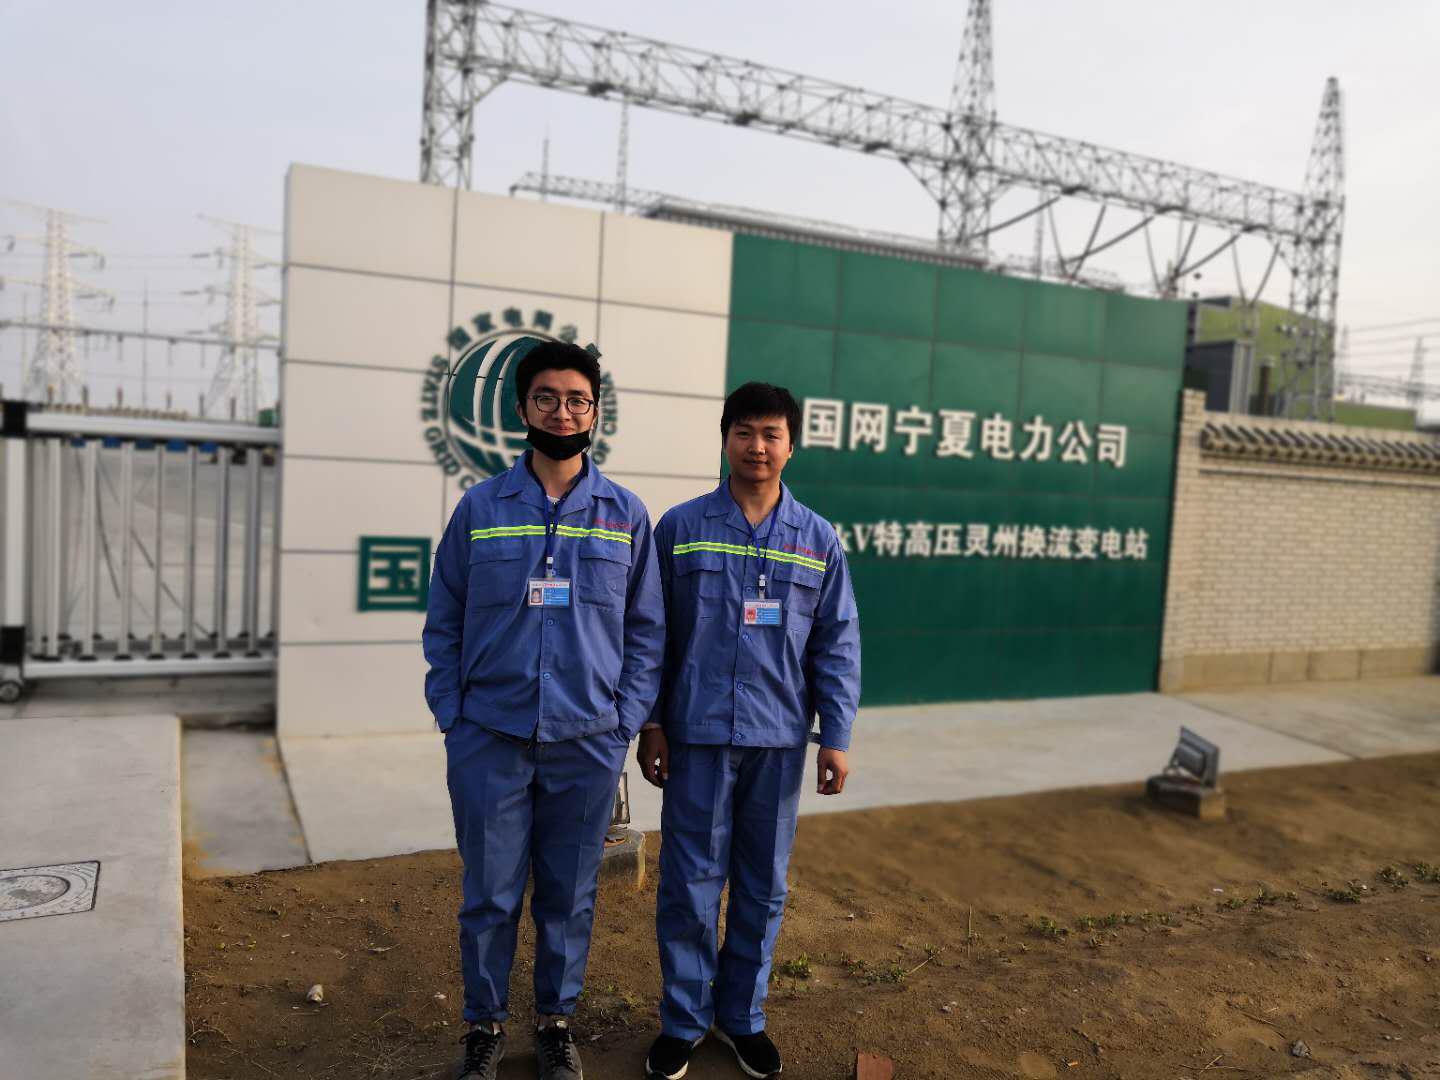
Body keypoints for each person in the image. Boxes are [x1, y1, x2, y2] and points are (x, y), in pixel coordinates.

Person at [422, 338, 665, 1080]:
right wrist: (453, 714)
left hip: (587, 740)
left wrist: (622, 721)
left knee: (568, 896)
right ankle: (484, 1026)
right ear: (523, 409)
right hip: (489, 737)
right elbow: (445, 616)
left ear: (595, 412)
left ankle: (556, 1023)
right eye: (547, 398)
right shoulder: (481, 507)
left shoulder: (624, 514)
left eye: (577, 400)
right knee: (488, 896)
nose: (563, 412)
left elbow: (646, 630)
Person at [639, 382, 861, 1080]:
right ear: (725, 439)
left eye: (771, 434)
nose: (757, 446)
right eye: (744, 432)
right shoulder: (680, 528)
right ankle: (683, 1021)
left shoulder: (817, 539)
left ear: (791, 446)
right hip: (697, 734)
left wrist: (836, 735)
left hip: (777, 738)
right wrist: (651, 721)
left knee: (762, 886)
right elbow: (652, 633)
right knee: (689, 884)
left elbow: (836, 642)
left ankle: (742, 1017)